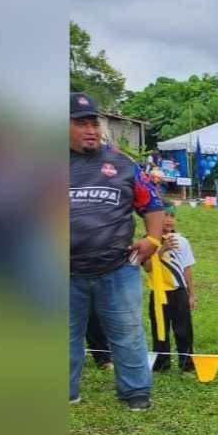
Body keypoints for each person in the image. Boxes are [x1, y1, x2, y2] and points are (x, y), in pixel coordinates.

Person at [69, 92, 163, 411]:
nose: (91, 129)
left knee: (128, 333)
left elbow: (152, 203)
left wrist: (152, 241)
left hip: (117, 268)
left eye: (94, 122)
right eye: (81, 123)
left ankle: (136, 392)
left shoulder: (122, 163)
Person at [143, 201, 196, 373]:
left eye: (172, 216)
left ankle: (187, 364)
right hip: (158, 293)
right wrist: (162, 249)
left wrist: (191, 294)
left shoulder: (182, 241)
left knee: (184, 330)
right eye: (165, 215)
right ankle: (161, 363)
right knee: (160, 329)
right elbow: (147, 266)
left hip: (179, 292)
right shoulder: (148, 242)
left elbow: (187, 268)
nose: (169, 220)